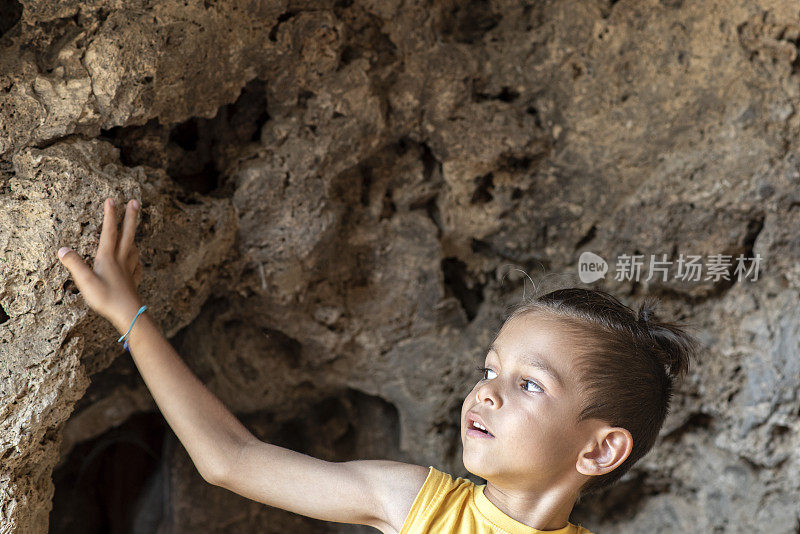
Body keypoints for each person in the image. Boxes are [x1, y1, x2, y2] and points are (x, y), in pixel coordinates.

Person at [56, 197, 699, 533]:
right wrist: (129, 315)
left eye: (529, 384)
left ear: (600, 450)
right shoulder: (417, 505)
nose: (487, 393)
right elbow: (230, 459)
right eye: (490, 369)